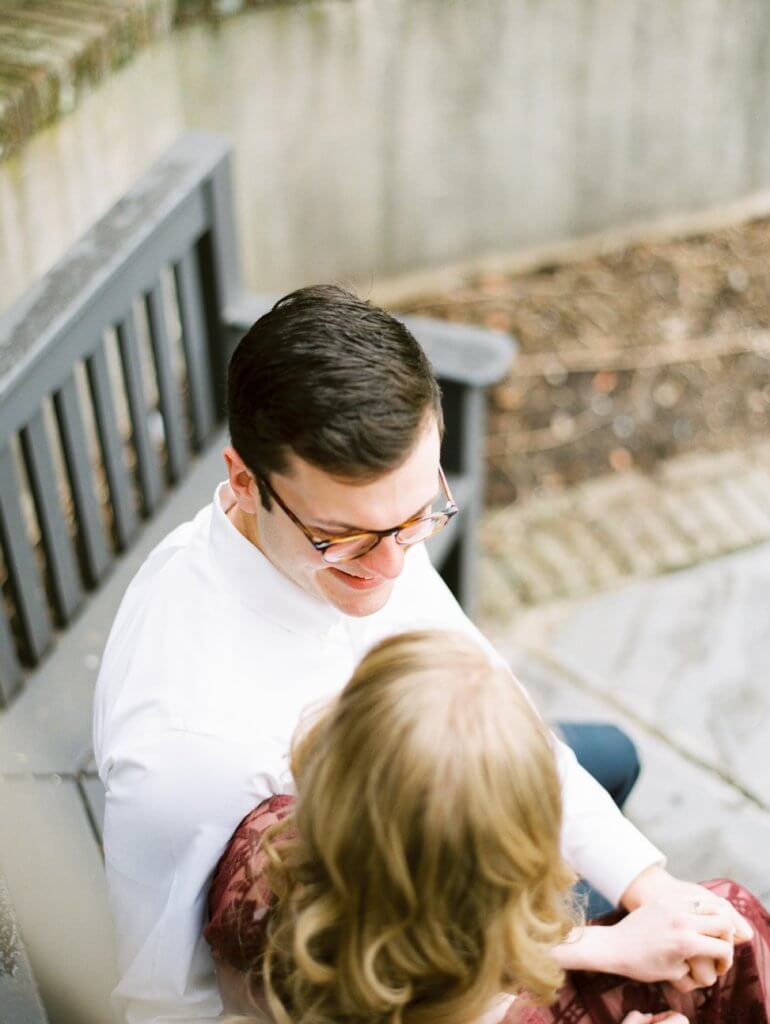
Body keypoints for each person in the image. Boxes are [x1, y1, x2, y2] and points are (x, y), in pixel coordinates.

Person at [93, 286, 749, 1023]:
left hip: (437, 850)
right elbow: (163, 1009)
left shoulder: (364, 527)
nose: (391, 570)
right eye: (343, 539)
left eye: (416, 518)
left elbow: (507, 719)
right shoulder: (191, 752)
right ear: (245, 483)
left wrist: (648, 888)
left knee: (618, 763)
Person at [204, 630, 769, 1024]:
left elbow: (425, 944)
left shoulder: (269, 849)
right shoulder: (476, 1003)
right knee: (731, 922)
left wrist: (606, 946)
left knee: (616, 757)